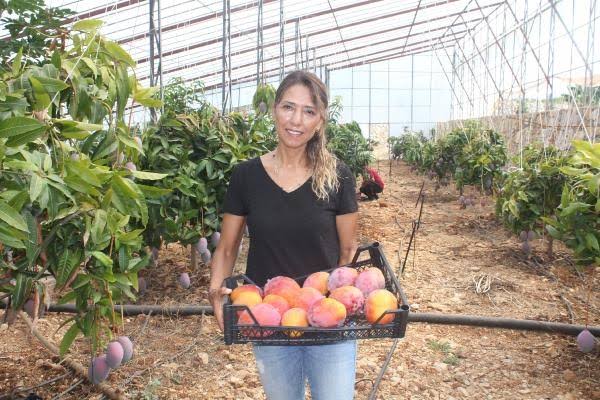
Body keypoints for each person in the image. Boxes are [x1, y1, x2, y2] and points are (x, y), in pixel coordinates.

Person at [209, 70, 359, 400]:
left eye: (309, 111)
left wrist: (338, 303)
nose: (296, 120)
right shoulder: (246, 176)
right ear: (274, 109)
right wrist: (215, 290)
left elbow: (348, 250)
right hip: (270, 318)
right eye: (288, 107)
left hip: (327, 317)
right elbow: (227, 247)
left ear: (320, 120)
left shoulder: (337, 176)